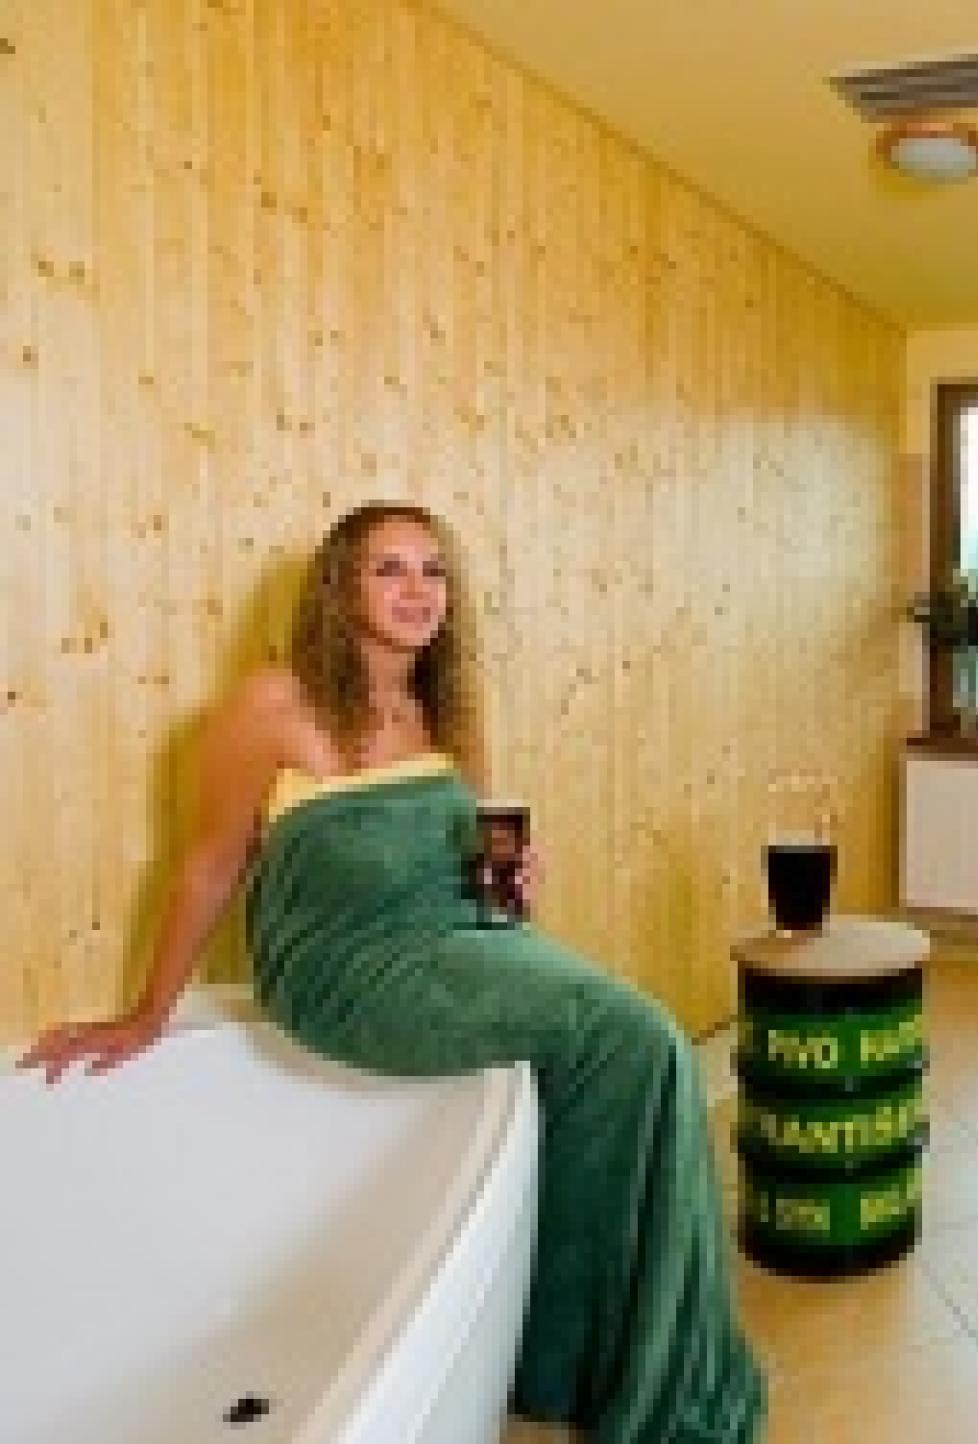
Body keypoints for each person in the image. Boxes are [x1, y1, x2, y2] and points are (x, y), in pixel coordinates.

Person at [18, 501, 766, 1443]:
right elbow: (210, 865)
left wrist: (517, 890)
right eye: (391, 569)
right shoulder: (272, 706)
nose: (420, 590)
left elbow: (481, 879)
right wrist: (145, 1016)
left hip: (461, 939)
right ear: (340, 586)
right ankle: (631, 1367)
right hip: (345, 968)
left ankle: (575, 1351)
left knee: (632, 1045)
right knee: (639, 1038)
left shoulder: (444, 713)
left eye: (434, 571)